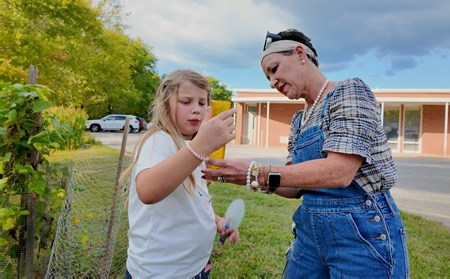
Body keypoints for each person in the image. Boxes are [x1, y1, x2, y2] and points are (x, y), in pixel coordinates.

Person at [202, 29, 410, 278]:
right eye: (267, 76)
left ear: (300, 54)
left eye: (274, 68)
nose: (272, 82)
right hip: (310, 236)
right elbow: (293, 187)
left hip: (362, 234)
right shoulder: (299, 120)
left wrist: (256, 172)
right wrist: (242, 175)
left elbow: (340, 171)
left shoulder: (349, 92)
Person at [122, 69, 239, 278]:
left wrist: (216, 220)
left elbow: (193, 200)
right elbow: (147, 191)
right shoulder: (159, 140)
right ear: (166, 104)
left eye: (202, 103)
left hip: (195, 268)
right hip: (161, 272)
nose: (196, 110)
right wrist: (199, 147)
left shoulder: (191, 147)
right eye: (186, 102)